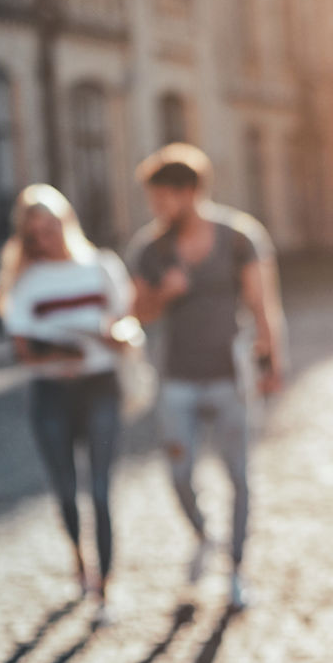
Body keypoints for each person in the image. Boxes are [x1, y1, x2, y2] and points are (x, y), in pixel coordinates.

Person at [127, 143, 285, 611]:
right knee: (178, 473)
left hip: (229, 377)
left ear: (191, 191)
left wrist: (272, 363)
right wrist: (163, 293)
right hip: (176, 378)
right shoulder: (150, 249)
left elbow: (263, 306)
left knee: (239, 474)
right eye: (153, 201)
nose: (157, 209)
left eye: (163, 199)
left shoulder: (239, 237)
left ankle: (236, 570)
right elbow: (137, 313)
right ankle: (202, 536)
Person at [0, 184, 139, 608]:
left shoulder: (101, 267)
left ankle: (106, 583)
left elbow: (128, 323)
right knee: (65, 488)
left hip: (100, 386)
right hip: (51, 392)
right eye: (37, 231)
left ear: (67, 221)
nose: (48, 236)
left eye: (52, 225)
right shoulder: (26, 281)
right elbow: (22, 349)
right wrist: (65, 349)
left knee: (100, 488)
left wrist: (113, 337)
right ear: (28, 237)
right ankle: (80, 561)